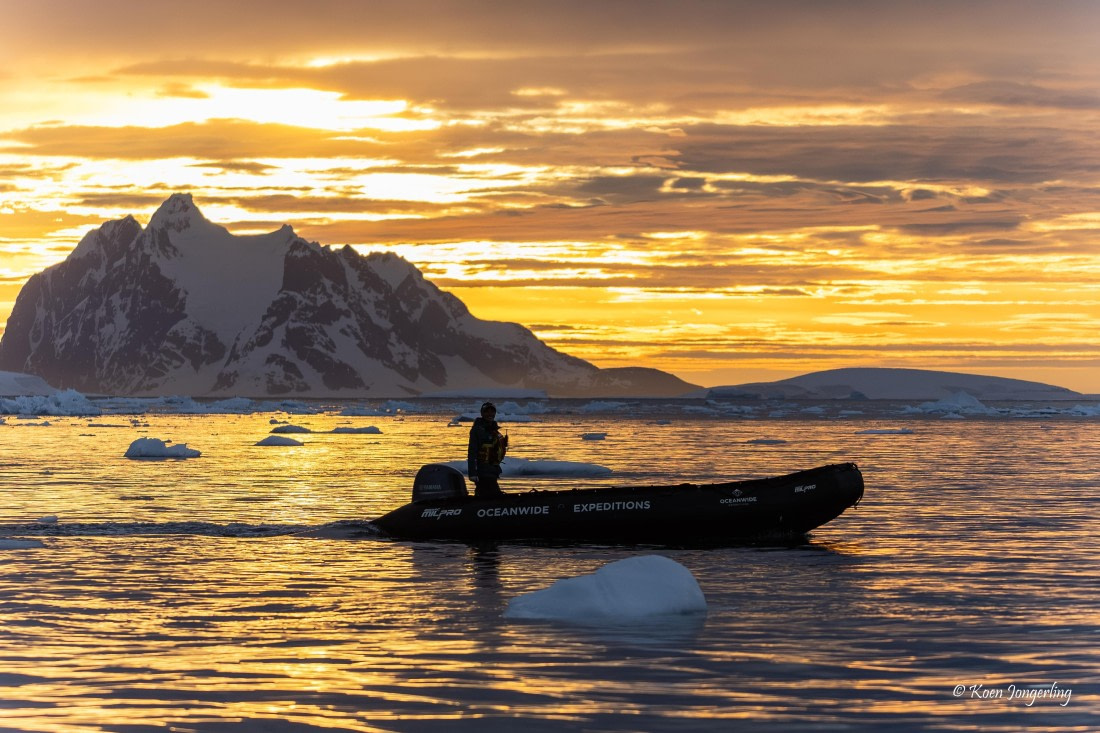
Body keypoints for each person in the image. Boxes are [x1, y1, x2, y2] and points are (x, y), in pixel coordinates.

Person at [467, 401, 508, 498]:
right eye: (487, 412)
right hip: (482, 471)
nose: (490, 414)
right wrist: (472, 473)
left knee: (491, 495)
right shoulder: (477, 430)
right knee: (491, 496)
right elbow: (472, 452)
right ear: (482, 413)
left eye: (492, 411)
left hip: (493, 471)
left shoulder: (494, 430)